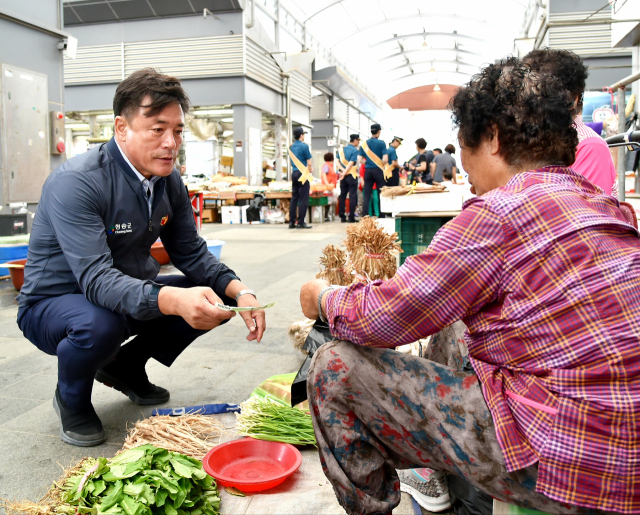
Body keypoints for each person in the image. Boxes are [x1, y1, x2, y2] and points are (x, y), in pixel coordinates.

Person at [299, 57, 640, 514]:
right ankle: (446, 483)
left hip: (572, 463)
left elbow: (386, 317)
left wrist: (322, 297)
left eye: (465, 147)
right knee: (456, 324)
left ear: (493, 137)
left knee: (333, 367)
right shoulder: (605, 206)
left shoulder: (500, 212)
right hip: (625, 450)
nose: (465, 168)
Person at [17, 68, 267, 447]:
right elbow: (97, 280)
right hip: (55, 303)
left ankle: (125, 367)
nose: (171, 142)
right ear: (121, 128)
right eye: (157, 129)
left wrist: (240, 290)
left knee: (217, 297)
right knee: (99, 324)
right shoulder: (79, 182)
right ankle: (71, 398)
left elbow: (191, 252)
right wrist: (171, 299)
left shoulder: (169, 180)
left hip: (124, 294)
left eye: (178, 131)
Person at [523, 48, 617, 196]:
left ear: (572, 99)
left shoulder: (589, 147)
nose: (525, 103)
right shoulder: (531, 139)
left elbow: (586, 213)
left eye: (538, 94)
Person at [359, 123, 388, 218]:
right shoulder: (382, 143)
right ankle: (382, 214)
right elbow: (385, 159)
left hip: (368, 171)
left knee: (367, 195)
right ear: (379, 132)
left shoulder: (364, 144)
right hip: (378, 171)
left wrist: (367, 164)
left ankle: (365, 215)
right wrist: (380, 164)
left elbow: (360, 159)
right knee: (381, 193)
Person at [289, 126, 313, 229]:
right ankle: (301, 222)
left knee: (294, 198)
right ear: (301, 135)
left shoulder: (291, 147)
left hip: (294, 172)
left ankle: (291, 222)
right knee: (303, 198)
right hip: (303, 174)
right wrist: (310, 169)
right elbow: (309, 162)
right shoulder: (304, 147)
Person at [336, 134, 361, 223]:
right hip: (351, 176)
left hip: (343, 175)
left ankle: (342, 216)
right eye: (358, 140)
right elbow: (351, 163)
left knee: (342, 196)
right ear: (355, 140)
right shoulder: (354, 150)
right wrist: (346, 172)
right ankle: (351, 217)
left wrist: (343, 171)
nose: (358, 142)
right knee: (352, 196)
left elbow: (337, 161)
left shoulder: (342, 150)